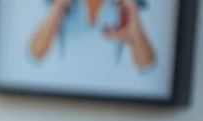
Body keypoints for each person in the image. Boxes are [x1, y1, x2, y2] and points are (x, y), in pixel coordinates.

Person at [28, 0, 156, 70]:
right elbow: (35, 54)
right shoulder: (60, 3)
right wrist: (58, 7)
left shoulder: (126, 5)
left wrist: (131, 9)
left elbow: (146, 66)